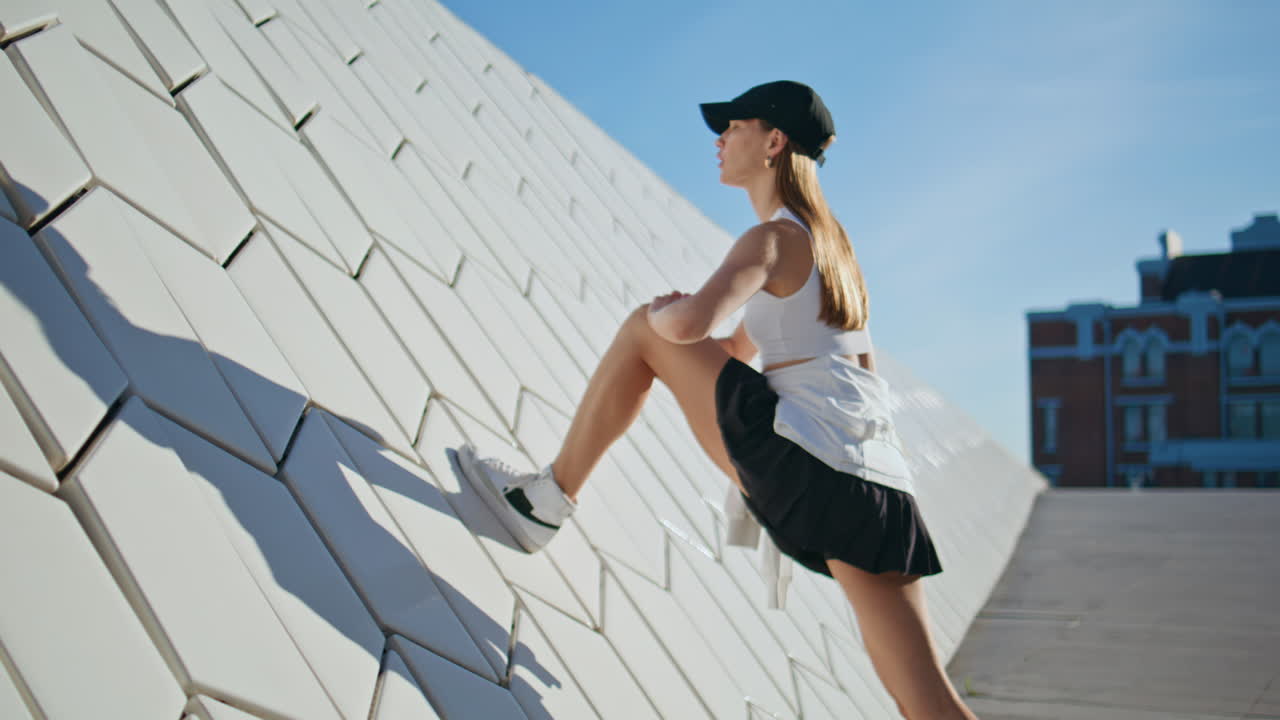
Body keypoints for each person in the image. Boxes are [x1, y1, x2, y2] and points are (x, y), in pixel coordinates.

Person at [452, 80, 979, 720]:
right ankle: (547, 498)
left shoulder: (772, 241)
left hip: (806, 465)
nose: (720, 138)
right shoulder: (834, 252)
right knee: (927, 701)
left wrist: (668, 310)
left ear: (774, 141)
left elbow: (683, 329)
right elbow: (733, 354)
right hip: (878, 492)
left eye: (734, 125)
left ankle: (545, 500)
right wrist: (687, 326)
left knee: (642, 324)